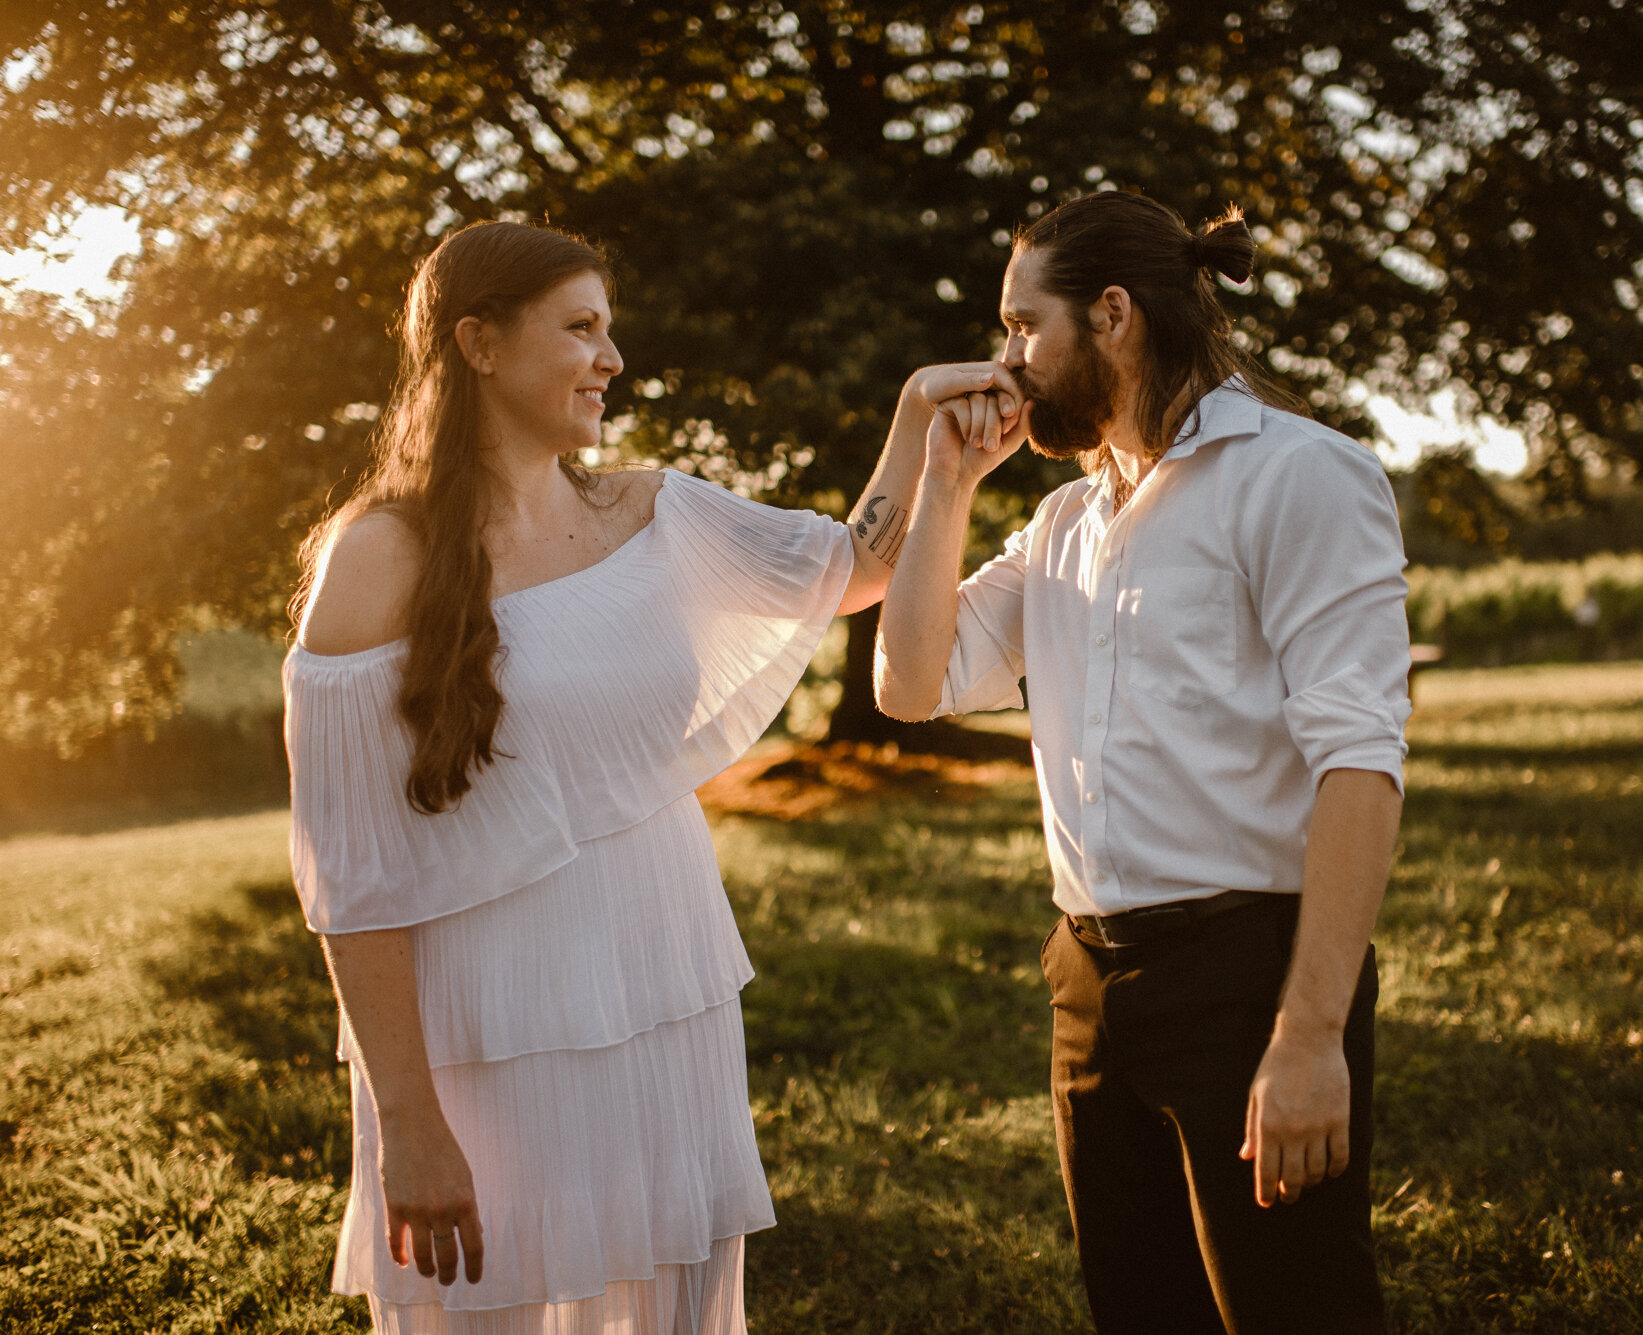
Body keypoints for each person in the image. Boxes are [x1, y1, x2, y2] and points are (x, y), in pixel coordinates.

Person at [284, 219, 1008, 1333]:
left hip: (665, 980)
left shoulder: (655, 512)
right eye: (580, 329)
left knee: (669, 1300)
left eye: (608, 329)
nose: (612, 361)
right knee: (495, 1305)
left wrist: (919, 417)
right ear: (477, 343)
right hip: (490, 1024)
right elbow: (352, 880)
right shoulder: (378, 558)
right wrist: (411, 1120)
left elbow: (856, 565)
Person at [875, 192, 1411, 1335]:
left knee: (1292, 1313)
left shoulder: (1300, 477)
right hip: (1086, 982)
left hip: (1247, 974)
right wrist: (949, 483)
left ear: (1111, 314)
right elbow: (907, 684)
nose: (1004, 361)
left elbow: (1360, 764)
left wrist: (1308, 1036)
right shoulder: (1062, 521)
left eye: (1024, 326)